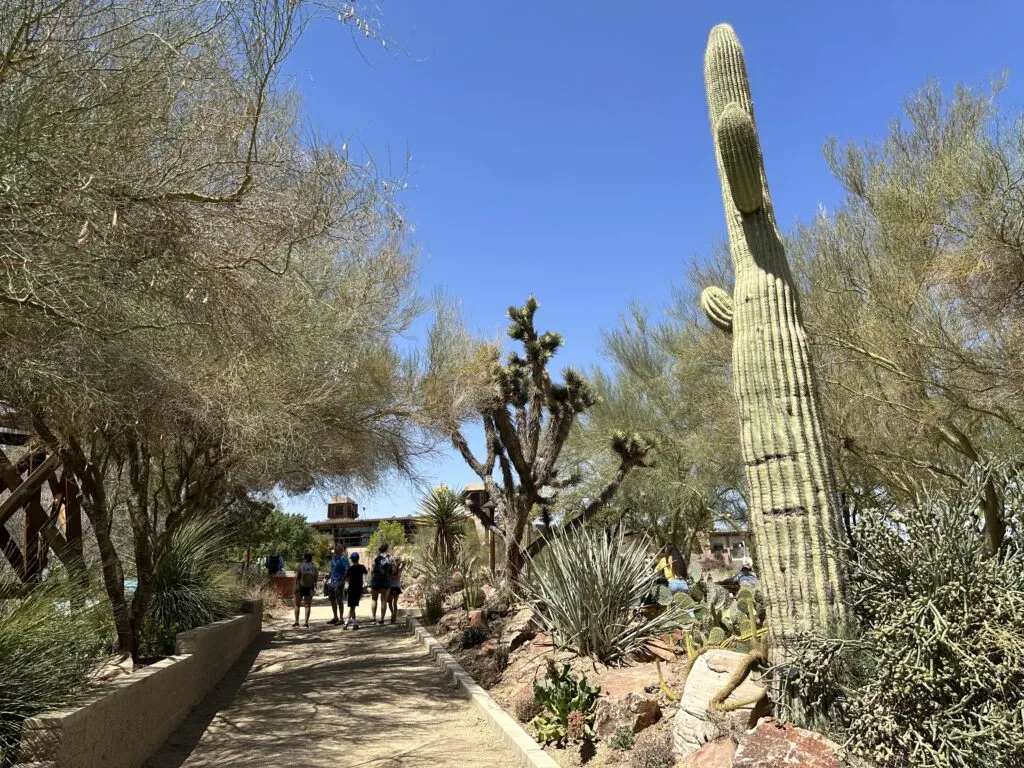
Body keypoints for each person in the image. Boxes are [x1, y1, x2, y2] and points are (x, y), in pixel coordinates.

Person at [369, 542, 393, 626]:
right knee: (383, 600)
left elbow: (372, 571)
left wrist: (371, 579)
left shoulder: (375, 558)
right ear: (387, 549)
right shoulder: (390, 558)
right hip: (385, 582)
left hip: (376, 581)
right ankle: (382, 619)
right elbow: (392, 571)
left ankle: (373, 618)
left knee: (374, 599)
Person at [293, 552, 318, 628]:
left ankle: (297, 622)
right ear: (311, 559)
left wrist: (296, 586)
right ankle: (306, 623)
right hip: (309, 587)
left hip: (300, 586)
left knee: (297, 604)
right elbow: (316, 578)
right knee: (307, 606)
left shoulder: (301, 566)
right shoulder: (314, 568)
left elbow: (297, 577)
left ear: (305, 558)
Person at [327, 543, 350, 625]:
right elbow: (332, 569)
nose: (335, 549)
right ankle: (335, 617)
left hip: (339, 582)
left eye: (336, 548)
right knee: (332, 600)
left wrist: (342, 580)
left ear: (340, 549)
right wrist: (327, 578)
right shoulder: (333, 558)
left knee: (339, 601)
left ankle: (341, 619)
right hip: (332, 582)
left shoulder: (343, 558)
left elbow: (347, 570)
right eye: (334, 548)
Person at [344, 552, 368, 629]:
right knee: (352, 606)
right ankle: (350, 623)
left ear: (352, 560)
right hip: (358, 589)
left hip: (351, 588)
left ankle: (348, 623)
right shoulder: (362, 567)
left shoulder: (350, 569)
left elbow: (346, 578)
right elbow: (366, 573)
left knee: (352, 606)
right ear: (358, 559)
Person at [386, 554, 404, 624]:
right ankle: (395, 615)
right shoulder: (399, 570)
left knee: (390, 602)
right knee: (395, 603)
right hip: (397, 588)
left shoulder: (389, 571)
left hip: (391, 588)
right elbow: (404, 563)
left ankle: (392, 612)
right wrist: (400, 562)